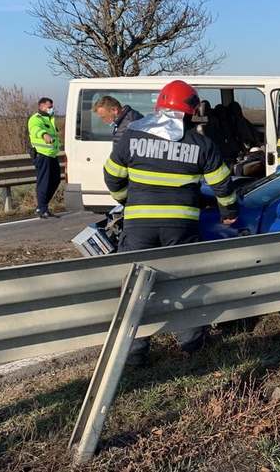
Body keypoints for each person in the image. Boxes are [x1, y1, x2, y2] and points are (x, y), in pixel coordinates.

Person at [103, 79, 235, 366]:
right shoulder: (201, 144)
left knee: (135, 288)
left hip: (139, 227)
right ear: (190, 112)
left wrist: (126, 200)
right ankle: (191, 344)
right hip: (180, 227)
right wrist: (228, 212)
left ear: (159, 106)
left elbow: (112, 177)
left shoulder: (131, 137)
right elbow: (223, 185)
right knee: (185, 281)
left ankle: (134, 352)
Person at [27, 97, 62, 218]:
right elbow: (35, 129)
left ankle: (42, 206)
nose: (51, 109)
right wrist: (44, 134)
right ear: (41, 106)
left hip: (51, 154)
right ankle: (42, 209)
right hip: (42, 154)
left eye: (52, 106)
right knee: (44, 182)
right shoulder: (36, 118)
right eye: (49, 107)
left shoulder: (50, 119)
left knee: (56, 180)